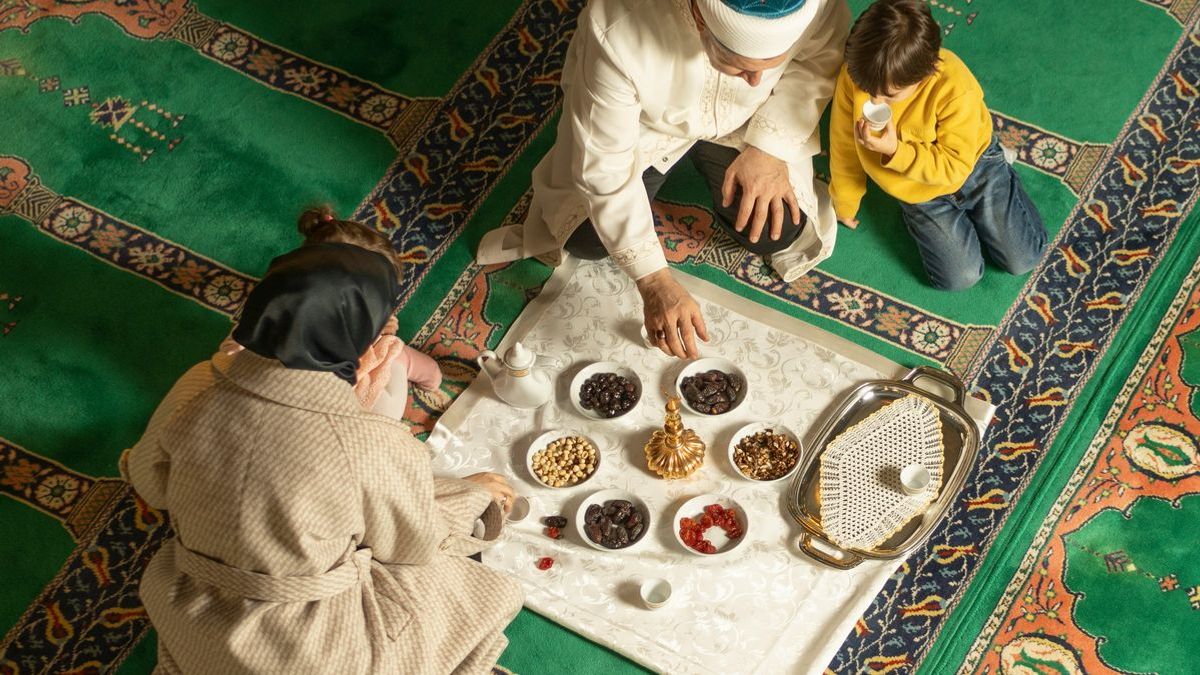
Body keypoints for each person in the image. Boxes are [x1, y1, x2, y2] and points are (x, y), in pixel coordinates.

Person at [122, 216, 523, 674]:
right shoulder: (368, 440)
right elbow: (411, 545)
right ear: (366, 338)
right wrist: (472, 495)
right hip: (308, 649)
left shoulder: (197, 385)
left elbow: (149, 482)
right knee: (463, 584)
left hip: (191, 617)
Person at [478, 0, 850, 359]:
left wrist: (769, 150)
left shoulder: (813, 5)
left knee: (772, 229)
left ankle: (732, 147)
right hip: (648, 124)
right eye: (740, 68)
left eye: (770, 65)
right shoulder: (617, 28)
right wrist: (654, 280)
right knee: (585, 238)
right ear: (700, 20)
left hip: (752, 121)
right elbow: (605, 165)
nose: (755, 81)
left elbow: (818, 59)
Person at [829, 0, 1047, 290]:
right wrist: (844, 201)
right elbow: (843, 142)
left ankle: (1002, 168)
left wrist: (895, 151)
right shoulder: (859, 75)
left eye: (890, 95)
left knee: (1023, 259)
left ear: (926, 74)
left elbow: (955, 168)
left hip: (974, 168)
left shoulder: (954, 86)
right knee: (959, 278)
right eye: (868, 90)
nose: (874, 101)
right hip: (917, 192)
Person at [219, 207, 444, 420]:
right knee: (394, 356)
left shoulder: (258, 328)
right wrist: (387, 339)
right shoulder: (375, 346)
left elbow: (230, 351)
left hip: (251, 395)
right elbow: (431, 372)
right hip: (351, 411)